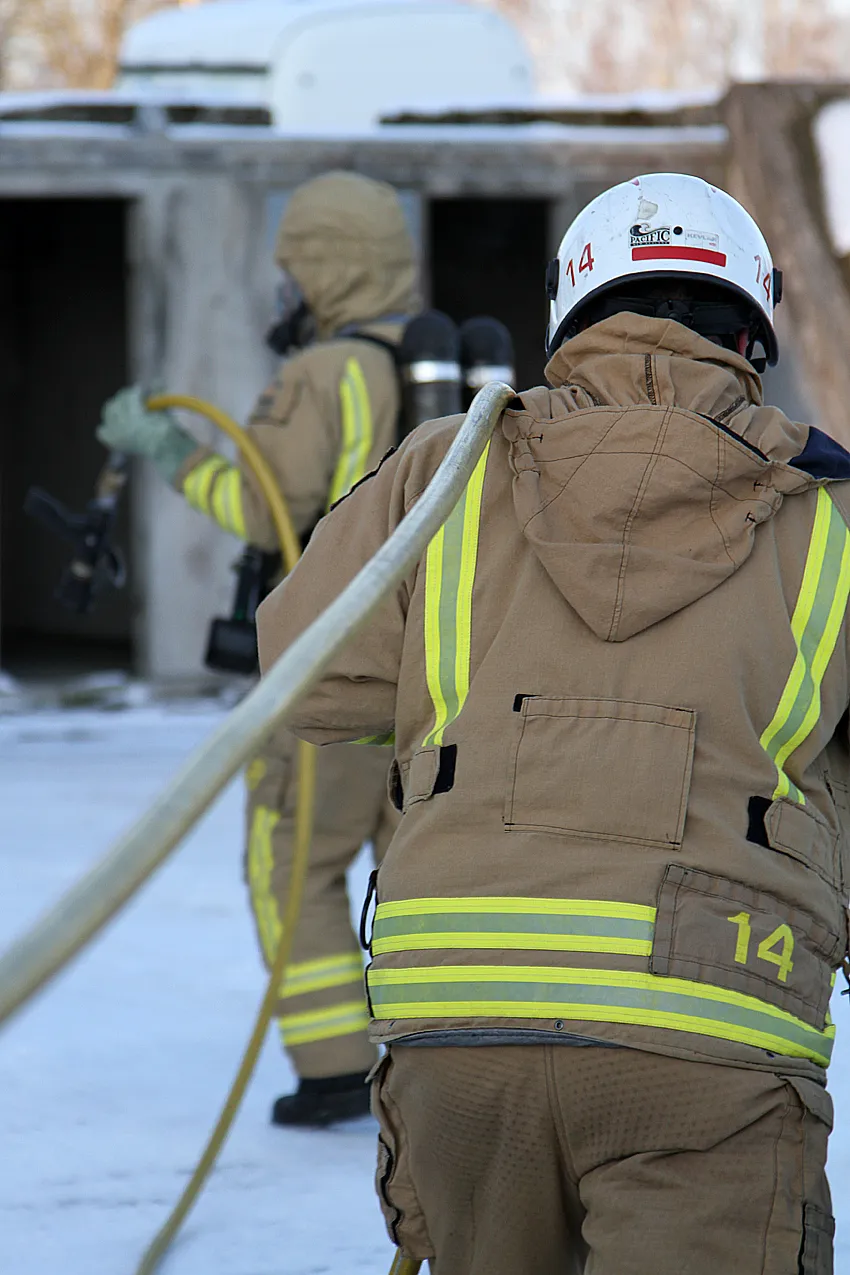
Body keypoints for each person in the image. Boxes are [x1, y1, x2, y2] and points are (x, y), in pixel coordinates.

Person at [255, 173, 849, 1272]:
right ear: (751, 331)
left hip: (455, 1016)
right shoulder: (833, 514)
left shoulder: (441, 472)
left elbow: (301, 673)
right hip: (714, 1021)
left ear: (568, 316)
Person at [96, 171, 413, 1127]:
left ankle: (331, 1068)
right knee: (416, 859)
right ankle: (435, 1042)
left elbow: (264, 506)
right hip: (434, 665)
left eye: (296, 268)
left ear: (328, 268)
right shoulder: (446, 364)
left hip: (329, 666)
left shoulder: (323, 374)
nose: (288, 290)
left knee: (294, 862)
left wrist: (164, 449)